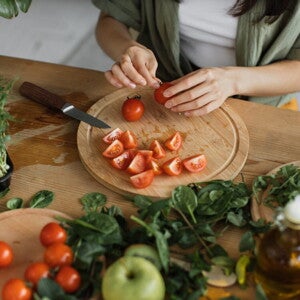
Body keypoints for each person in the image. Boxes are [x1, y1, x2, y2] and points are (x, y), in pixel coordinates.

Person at [92, 0, 300, 116]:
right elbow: (110, 19)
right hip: (161, 94)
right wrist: (126, 48)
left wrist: (233, 81)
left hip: (262, 104)